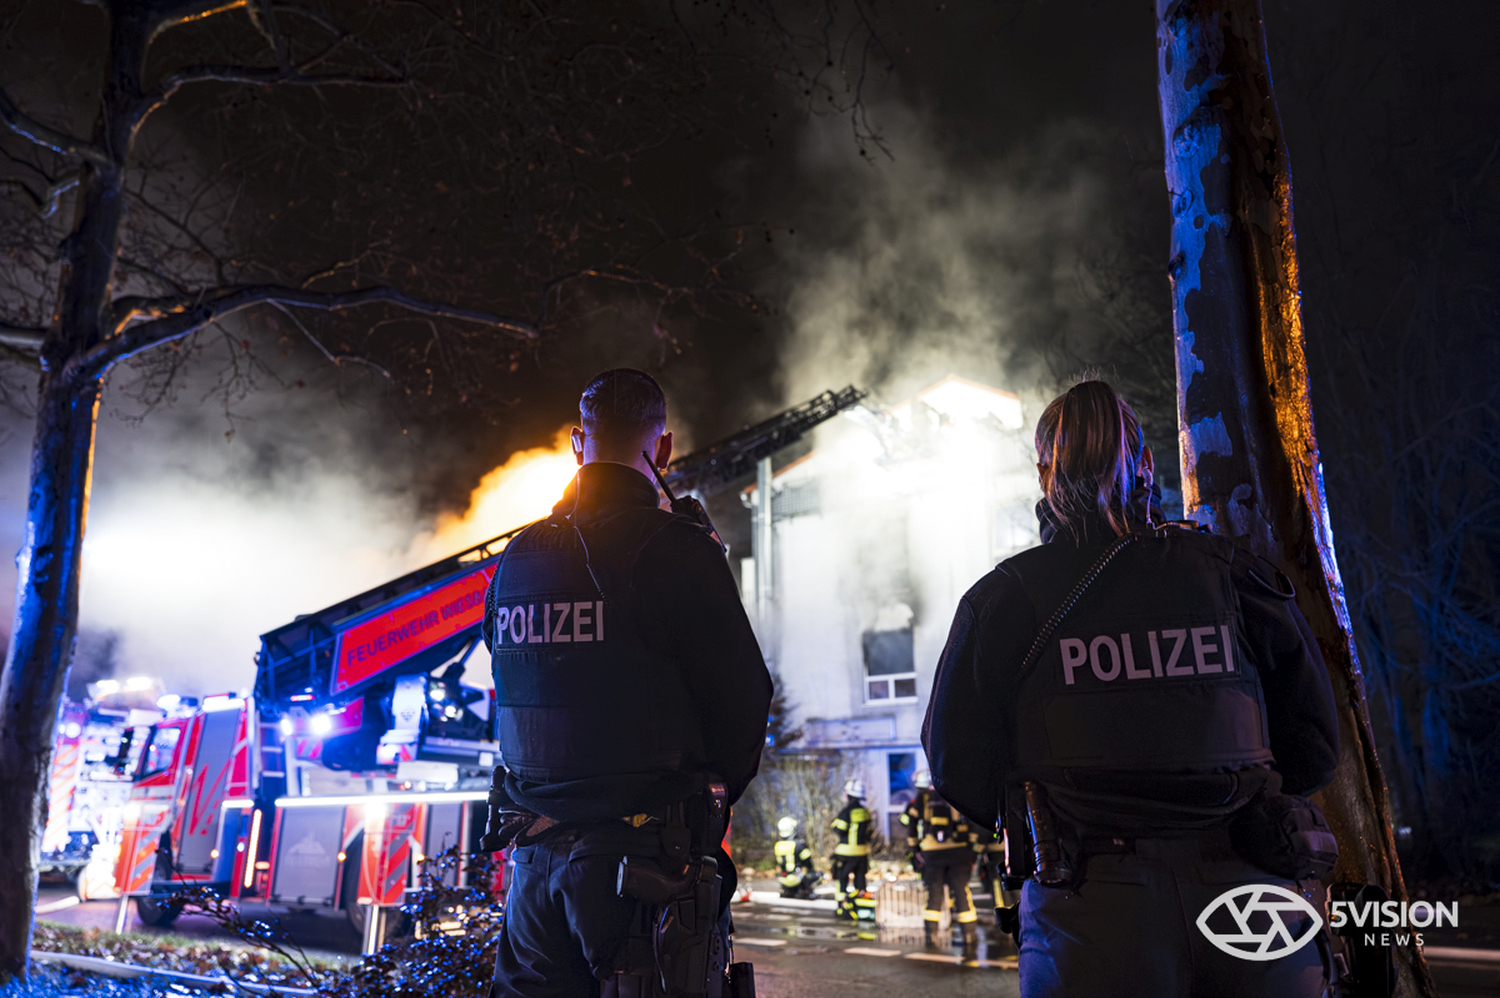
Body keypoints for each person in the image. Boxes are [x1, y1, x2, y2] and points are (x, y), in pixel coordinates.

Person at [922, 380, 1341, 998]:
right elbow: (1315, 747)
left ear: (1045, 474)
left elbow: (954, 762)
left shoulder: (1005, 599)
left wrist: (1048, 810)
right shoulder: (1232, 574)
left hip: (1088, 909)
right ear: (1145, 461)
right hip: (1254, 901)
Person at [483, 369, 774, 998]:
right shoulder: (677, 550)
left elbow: (511, 685)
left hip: (533, 874)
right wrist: (697, 798)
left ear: (576, 443)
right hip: (643, 875)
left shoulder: (516, 559)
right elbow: (744, 702)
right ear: (662, 449)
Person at [901, 769, 979, 961]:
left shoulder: (922, 799)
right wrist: (972, 848)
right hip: (959, 852)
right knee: (961, 892)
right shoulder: (959, 795)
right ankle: (969, 935)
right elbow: (973, 821)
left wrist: (915, 849)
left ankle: (932, 936)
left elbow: (911, 825)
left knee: (934, 895)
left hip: (932, 853)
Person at [829, 778, 875, 921]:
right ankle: (861, 908)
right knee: (860, 881)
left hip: (846, 853)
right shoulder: (865, 812)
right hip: (862, 853)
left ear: (849, 795)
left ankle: (842, 908)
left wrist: (834, 823)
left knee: (841, 880)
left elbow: (839, 830)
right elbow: (869, 832)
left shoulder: (847, 811)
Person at [773, 816, 819, 899]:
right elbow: (808, 862)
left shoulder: (777, 845)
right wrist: (810, 870)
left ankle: (788, 890)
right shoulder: (798, 844)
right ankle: (807, 891)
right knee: (820, 875)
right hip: (797, 879)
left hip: (783, 879)